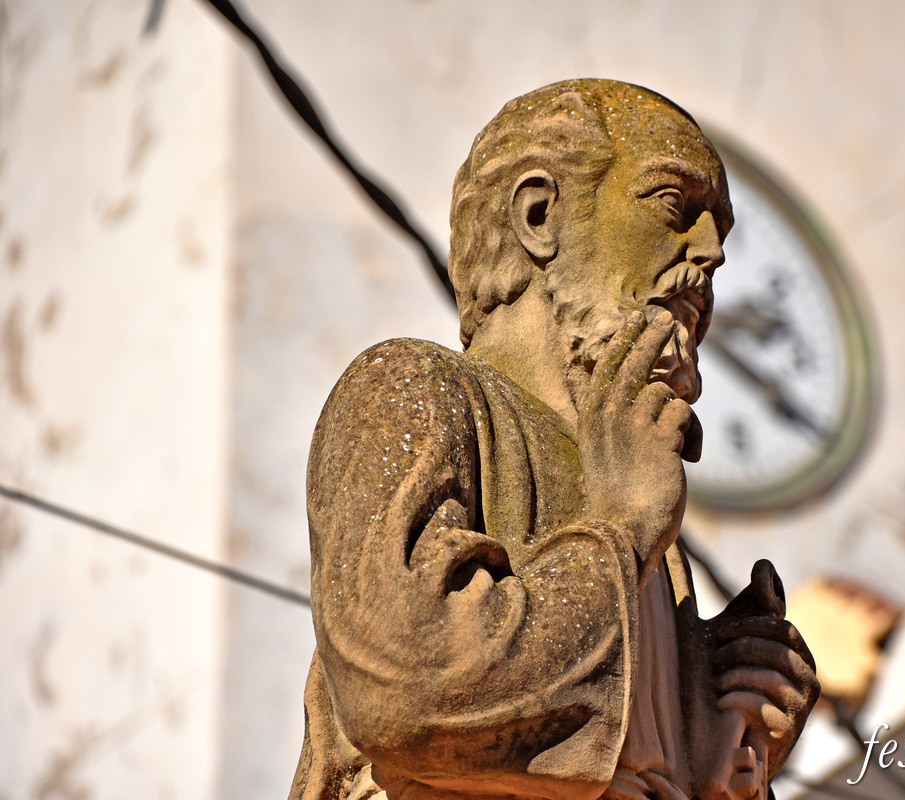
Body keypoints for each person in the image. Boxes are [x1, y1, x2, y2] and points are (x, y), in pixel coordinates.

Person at [290, 79, 818, 800]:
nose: (712, 252)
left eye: (719, 228)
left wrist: (724, 730)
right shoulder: (411, 389)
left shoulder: (647, 521)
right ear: (539, 216)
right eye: (675, 205)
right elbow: (406, 688)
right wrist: (622, 528)